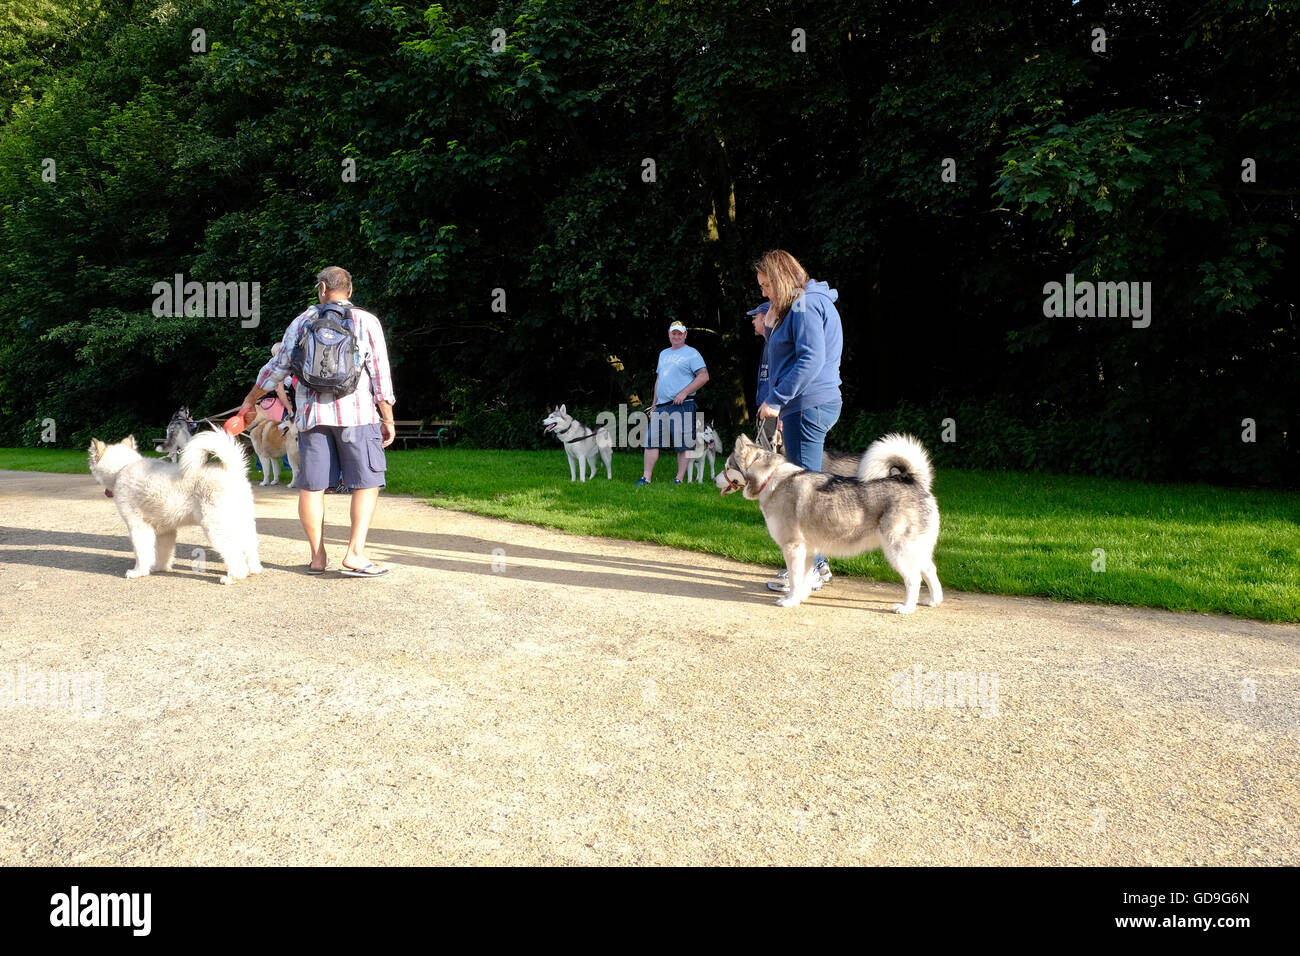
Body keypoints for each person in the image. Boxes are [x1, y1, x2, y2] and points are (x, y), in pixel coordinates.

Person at [239, 266, 396, 576]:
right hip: (358, 417)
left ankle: (318, 558)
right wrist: (387, 416)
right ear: (349, 292)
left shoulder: (302, 322)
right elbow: (380, 374)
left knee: (312, 488)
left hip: (311, 418)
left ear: (321, 288)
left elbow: (278, 367)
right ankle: (355, 554)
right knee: (366, 484)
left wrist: (251, 399)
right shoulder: (367, 322)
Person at [753, 250, 843, 593]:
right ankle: (814, 565)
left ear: (780, 278)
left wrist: (776, 400)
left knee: (803, 492)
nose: (764, 293)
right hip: (807, 404)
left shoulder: (805, 305)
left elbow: (809, 359)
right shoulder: (804, 304)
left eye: (766, 285)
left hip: (806, 405)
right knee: (805, 488)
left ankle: (812, 568)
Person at [637, 320, 709, 485]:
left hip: (682, 405)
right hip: (661, 405)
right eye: (673, 333)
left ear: (685, 335)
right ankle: (646, 478)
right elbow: (659, 379)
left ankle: (679, 479)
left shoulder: (692, 353)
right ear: (669, 334)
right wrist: (654, 404)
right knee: (651, 441)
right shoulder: (664, 354)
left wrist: (684, 392)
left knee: (682, 444)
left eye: (679, 333)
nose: (676, 336)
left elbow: (704, 376)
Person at [747, 302, 780, 451]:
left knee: (771, 458)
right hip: (767, 409)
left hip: (774, 411)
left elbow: (784, 378)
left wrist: (781, 410)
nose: (753, 321)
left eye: (755, 317)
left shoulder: (777, 343)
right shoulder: (768, 342)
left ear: (767, 317)